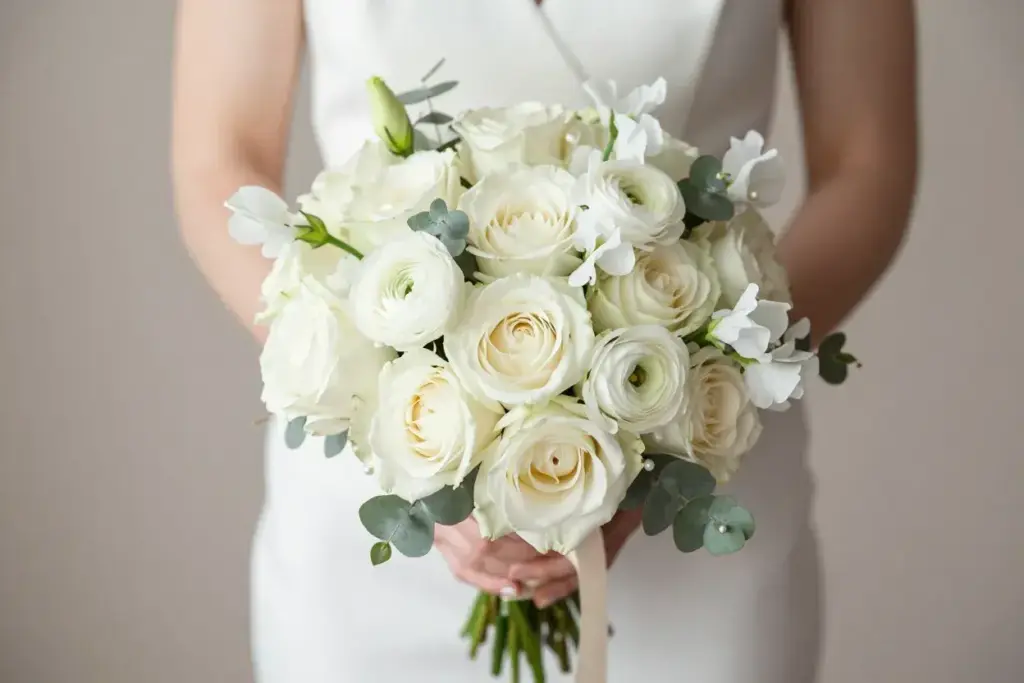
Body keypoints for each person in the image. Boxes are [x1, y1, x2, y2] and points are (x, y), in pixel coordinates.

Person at [171, 1, 918, 681]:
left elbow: (866, 165)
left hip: (699, 491)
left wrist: (681, 399)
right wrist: (381, 406)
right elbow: (220, 160)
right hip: (376, 503)